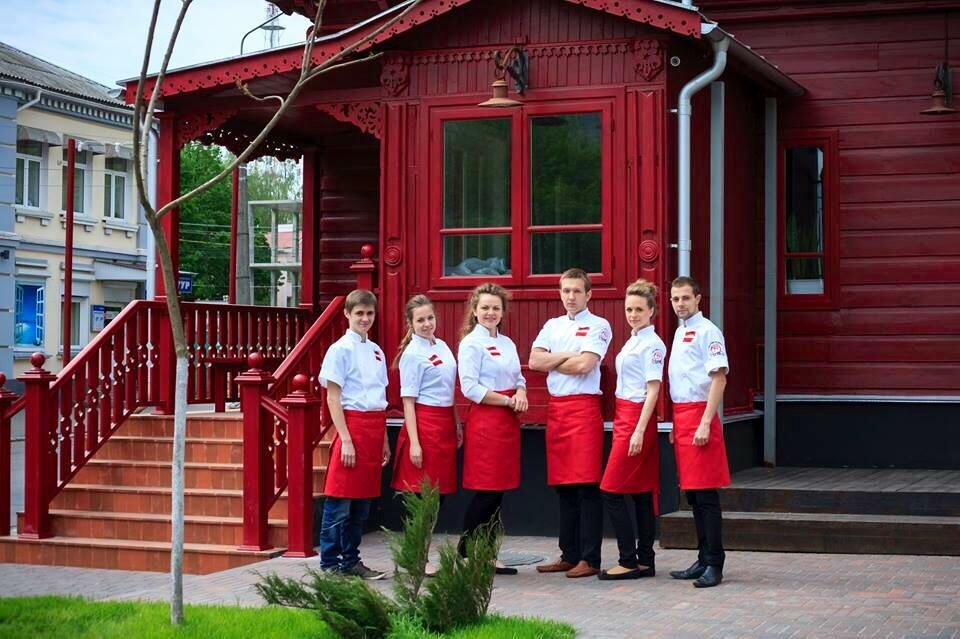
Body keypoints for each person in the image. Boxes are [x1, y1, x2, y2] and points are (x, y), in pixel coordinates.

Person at [529, 268, 612, 579]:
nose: (571, 296)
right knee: (563, 487)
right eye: (566, 291)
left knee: (587, 486)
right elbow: (534, 361)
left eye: (577, 291)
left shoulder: (599, 325)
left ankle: (590, 558)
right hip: (558, 411)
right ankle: (569, 554)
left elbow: (585, 365)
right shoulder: (552, 325)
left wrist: (553, 360)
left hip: (584, 409)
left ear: (589, 294)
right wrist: (567, 355)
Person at [318, 289, 391, 580]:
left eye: (369, 313)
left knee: (362, 504)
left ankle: (351, 560)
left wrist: (384, 438)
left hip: (374, 427)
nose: (365, 319)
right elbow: (333, 397)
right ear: (347, 314)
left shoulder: (377, 351)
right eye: (359, 313)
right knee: (340, 501)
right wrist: (345, 438)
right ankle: (330, 564)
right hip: (353, 426)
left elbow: (380, 396)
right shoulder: (340, 350)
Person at [457, 282, 528, 575]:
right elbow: (470, 388)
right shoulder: (470, 344)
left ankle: (487, 553)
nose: (490, 313)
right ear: (474, 311)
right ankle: (464, 552)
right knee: (486, 491)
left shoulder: (508, 343)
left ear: (502, 311)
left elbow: (519, 376)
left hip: (508, 422)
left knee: (499, 492)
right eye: (485, 307)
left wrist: (521, 392)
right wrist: (507, 400)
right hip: (487, 420)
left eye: (495, 308)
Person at [598, 279, 665, 580]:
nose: (633, 314)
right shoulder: (632, 340)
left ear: (651, 311)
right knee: (639, 492)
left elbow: (653, 390)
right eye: (629, 309)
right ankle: (646, 560)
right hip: (625, 415)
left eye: (639, 309)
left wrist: (638, 430)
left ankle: (628, 559)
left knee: (611, 490)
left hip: (637, 418)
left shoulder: (653, 344)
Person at [666, 275, 731, 588]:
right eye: (675, 298)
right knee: (692, 494)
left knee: (706, 495)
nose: (680, 304)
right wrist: (675, 424)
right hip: (682, 417)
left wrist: (705, 421)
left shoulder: (708, 331)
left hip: (700, 415)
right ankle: (702, 558)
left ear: (698, 299)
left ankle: (715, 563)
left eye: (685, 298)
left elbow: (719, 378)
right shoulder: (679, 332)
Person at [391, 294, 461, 497]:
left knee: (441, 491)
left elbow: (449, 388)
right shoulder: (412, 354)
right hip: (425, 426)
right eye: (420, 320)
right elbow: (408, 403)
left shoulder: (442, 346)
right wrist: (414, 443)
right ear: (410, 323)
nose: (427, 324)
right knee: (423, 493)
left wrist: (456, 423)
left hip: (445, 424)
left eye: (430, 318)